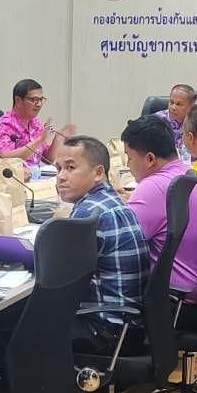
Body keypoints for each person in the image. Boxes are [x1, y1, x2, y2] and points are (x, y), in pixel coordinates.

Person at [53, 136, 148, 355]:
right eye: (58, 168)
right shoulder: (110, 201)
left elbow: (57, 276)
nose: (61, 176)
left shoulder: (89, 213)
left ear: (98, 173)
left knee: (8, 327)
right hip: (129, 325)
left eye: (70, 168)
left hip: (106, 331)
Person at [121, 115, 197, 293]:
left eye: (129, 157)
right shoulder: (189, 174)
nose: (128, 164)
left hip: (177, 293)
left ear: (150, 159)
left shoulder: (152, 187)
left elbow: (118, 244)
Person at [0, 79, 74, 168]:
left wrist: (57, 139)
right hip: (14, 175)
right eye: (34, 100)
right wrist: (40, 140)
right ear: (18, 100)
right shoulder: (3, 126)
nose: (39, 104)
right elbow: (6, 158)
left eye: (41, 99)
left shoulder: (35, 123)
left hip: (35, 174)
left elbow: (47, 159)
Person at [155, 84, 197, 165]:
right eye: (171, 102)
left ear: (191, 106)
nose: (173, 107)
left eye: (178, 104)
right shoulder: (157, 120)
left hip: (193, 166)